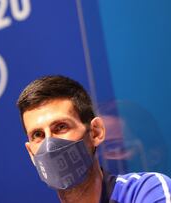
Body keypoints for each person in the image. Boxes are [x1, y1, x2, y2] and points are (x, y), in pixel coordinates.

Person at [16, 75, 171, 203]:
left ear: (95, 132)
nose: (49, 144)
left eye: (61, 127)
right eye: (38, 135)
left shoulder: (145, 191)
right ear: (31, 154)